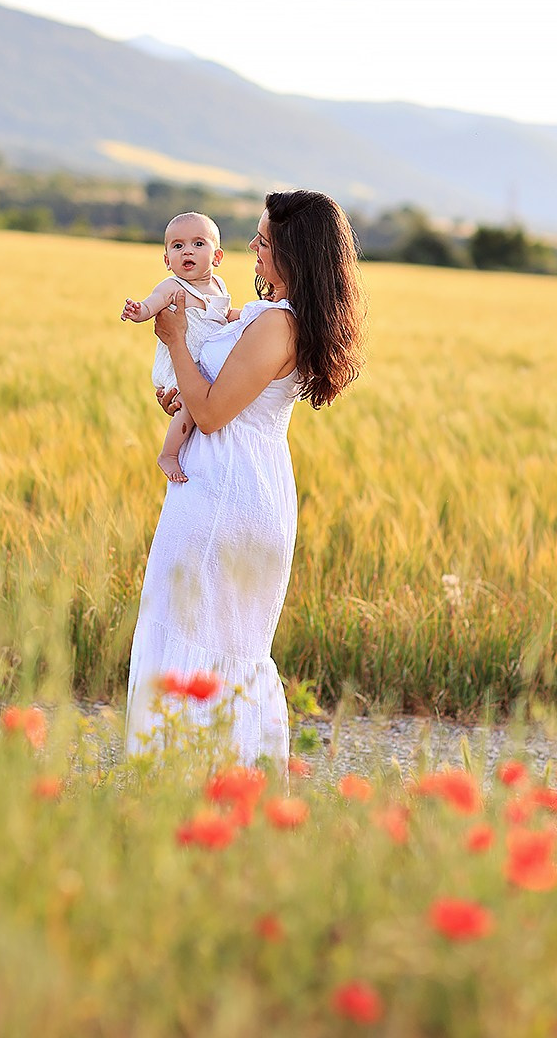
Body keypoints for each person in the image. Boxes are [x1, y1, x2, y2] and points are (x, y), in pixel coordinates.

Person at [125, 189, 367, 769]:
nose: (253, 248)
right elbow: (214, 403)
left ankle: (190, 786)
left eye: (264, 240)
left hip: (223, 497)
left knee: (195, 638)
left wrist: (175, 342)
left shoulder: (276, 325)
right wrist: (182, 386)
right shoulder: (269, 318)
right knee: (223, 645)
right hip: (241, 486)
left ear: (293, 254)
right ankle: (222, 790)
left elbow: (209, 414)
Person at [121, 212, 238, 483]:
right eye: (178, 246)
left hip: (204, 366)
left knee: (208, 400)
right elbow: (152, 305)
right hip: (179, 365)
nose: (188, 251)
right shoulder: (172, 286)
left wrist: (250, 315)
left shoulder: (219, 286)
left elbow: (225, 314)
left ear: (217, 257)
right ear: (166, 260)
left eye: (198, 244)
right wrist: (139, 311)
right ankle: (169, 454)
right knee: (188, 403)